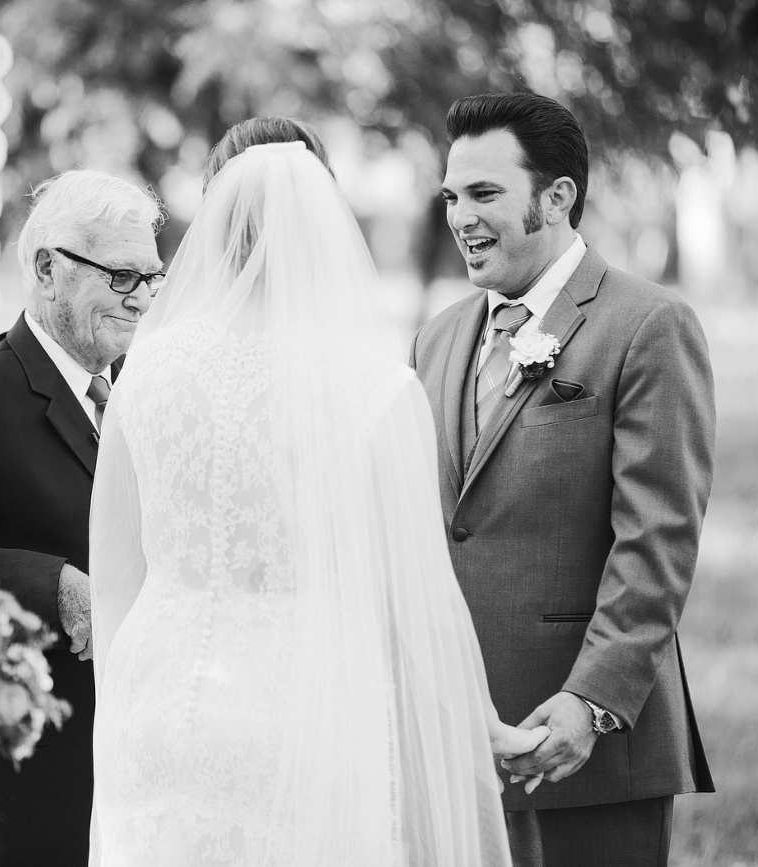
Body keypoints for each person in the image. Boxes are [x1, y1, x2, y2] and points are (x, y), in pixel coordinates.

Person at [86, 118, 546, 867]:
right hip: (303, 719)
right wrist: (476, 726)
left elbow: (116, 576)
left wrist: (123, 706)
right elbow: (413, 604)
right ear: (323, 221)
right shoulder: (376, 389)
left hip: (157, 707)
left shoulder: (147, 370)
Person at [409, 92, 716, 867]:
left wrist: (591, 699)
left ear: (556, 196)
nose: (460, 216)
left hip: (583, 744)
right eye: (451, 196)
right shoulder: (440, 336)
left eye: (483, 193)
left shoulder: (646, 325)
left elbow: (657, 539)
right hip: (452, 735)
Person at [0, 169, 164, 867]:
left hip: (139, 773)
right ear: (47, 269)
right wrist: (53, 586)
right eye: (123, 277)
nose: (144, 299)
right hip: (26, 793)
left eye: (153, 277)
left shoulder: (151, 393)